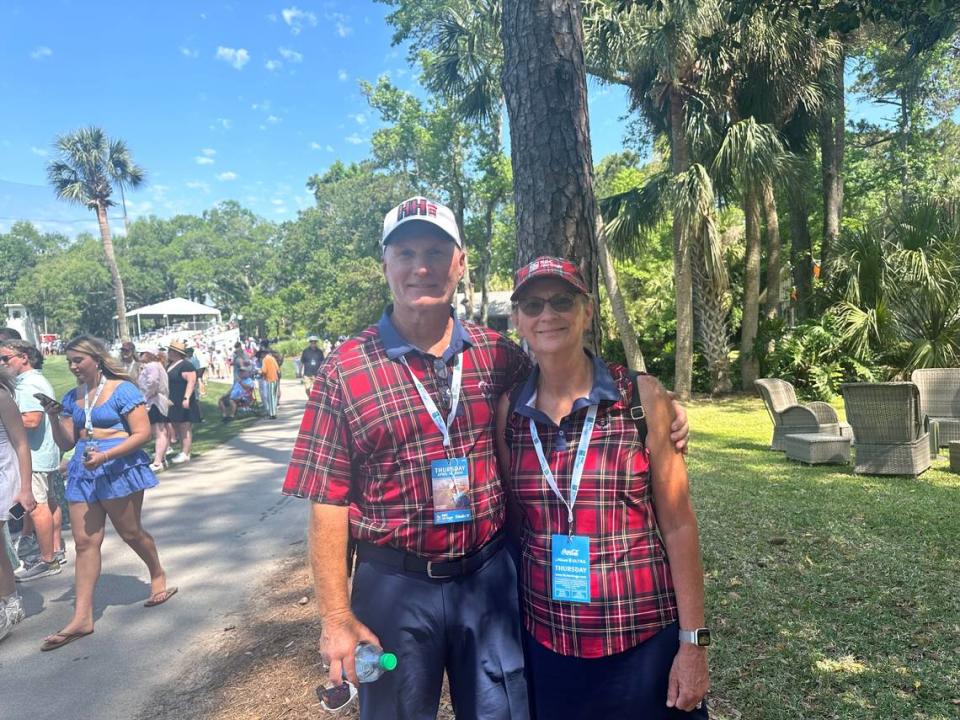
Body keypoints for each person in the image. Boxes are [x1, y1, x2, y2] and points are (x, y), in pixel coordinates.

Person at [282, 196, 691, 720]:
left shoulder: (498, 353)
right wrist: (336, 616)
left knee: (503, 711)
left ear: (460, 263)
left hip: (487, 578)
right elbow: (326, 500)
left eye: (436, 251)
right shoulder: (344, 370)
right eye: (405, 253)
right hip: (393, 587)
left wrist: (659, 404)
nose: (421, 267)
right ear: (384, 265)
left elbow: (566, 370)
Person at [495, 258, 710, 719]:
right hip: (549, 643)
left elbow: (678, 524)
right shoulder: (509, 412)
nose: (547, 314)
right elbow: (516, 523)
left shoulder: (641, 398)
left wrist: (693, 643)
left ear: (587, 311)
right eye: (532, 304)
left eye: (562, 301)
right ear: (518, 320)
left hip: (641, 637)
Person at [34, 335, 176, 651]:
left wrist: (106, 456)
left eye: (78, 361)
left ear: (96, 359)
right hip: (84, 469)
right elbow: (67, 443)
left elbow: (140, 434)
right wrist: (55, 416)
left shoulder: (122, 390)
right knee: (85, 543)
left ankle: (157, 572)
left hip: (118, 466)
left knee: (130, 532)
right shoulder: (73, 396)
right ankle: (82, 617)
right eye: (69, 361)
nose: (72, 367)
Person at [0, 340, 65, 581]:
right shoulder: (38, 379)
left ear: (24, 357)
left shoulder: (26, 385)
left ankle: (47, 560)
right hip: (45, 452)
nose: (3, 364)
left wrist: (7, 422)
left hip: (34, 455)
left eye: (6, 358)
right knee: (49, 502)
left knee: (37, 507)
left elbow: (32, 420)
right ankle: (55, 550)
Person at [0, 365, 35, 641]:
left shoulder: (2, 397)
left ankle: (10, 602)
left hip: (4, 474)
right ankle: (9, 600)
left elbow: (21, 443)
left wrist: (26, 488)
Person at [164, 341, 201, 465]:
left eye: (170, 351)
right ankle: (179, 450)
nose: (168, 353)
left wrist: (186, 398)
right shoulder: (170, 365)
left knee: (185, 427)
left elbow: (191, 382)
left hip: (183, 400)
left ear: (176, 353)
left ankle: (185, 453)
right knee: (176, 426)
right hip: (172, 401)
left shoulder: (186, 365)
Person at [137, 347, 172, 472]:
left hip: (154, 402)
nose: (139, 355)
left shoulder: (151, 366)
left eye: (142, 353)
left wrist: (145, 396)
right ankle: (161, 458)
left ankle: (157, 462)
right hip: (159, 401)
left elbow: (152, 382)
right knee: (161, 431)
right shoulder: (158, 365)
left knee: (159, 432)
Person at [257, 349, 280, 419]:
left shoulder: (265, 360)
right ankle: (274, 412)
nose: (260, 356)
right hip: (276, 379)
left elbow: (264, 370)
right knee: (274, 397)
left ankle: (272, 414)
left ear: (263, 354)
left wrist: (259, 371)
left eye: (261, 354)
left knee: (271, 397)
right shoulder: (272, 358)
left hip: (270, 379)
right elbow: (277, 369)